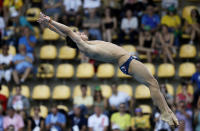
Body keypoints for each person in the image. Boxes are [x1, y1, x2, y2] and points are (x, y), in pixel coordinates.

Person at [37, 12, 179, 127]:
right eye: (78, 33)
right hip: (126, 61)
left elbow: (65, 34)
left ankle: (167, 111)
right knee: (152, 84)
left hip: (126, 60)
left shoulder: (87, 43)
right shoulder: (84, 46)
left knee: (153, 84)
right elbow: (68, 31)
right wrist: (51, 20)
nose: (80, 33)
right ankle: (165, 113)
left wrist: (48, 25)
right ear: (76, 39)